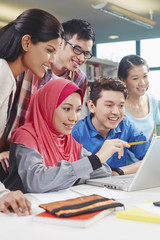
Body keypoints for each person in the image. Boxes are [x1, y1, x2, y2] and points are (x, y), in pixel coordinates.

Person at [4, 79, 130, 193]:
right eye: (66, 109)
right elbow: (37, 181)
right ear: (48, 106)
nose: (74, 118)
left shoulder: (68, 140)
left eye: (78, 110)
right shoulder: (26, 136)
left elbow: (103, 171)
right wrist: (94, 160)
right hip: (22, 212)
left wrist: (66, 176)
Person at [0, 8, 64, 178]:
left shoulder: (9, 77)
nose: (52, 61)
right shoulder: (2, 73)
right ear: (27, 42)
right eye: (49, 50)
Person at [72, 77, 150, 175]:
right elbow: (71, 173)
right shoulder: (76, 133)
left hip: (118, 186)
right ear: (92, 106)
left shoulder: (126, 126)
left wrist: (118, 172)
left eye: (121, 106)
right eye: (109, 105)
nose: (116, 112)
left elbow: (152, 158)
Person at [118, 54, 160, 142]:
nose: (142, 83)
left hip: (148, 155)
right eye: (135, 78)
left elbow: (153, 135)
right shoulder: (117, 105)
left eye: (145, 76)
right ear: (123, 80)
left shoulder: (152, 100)